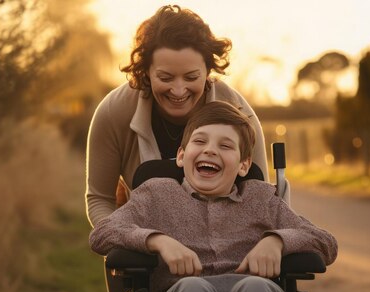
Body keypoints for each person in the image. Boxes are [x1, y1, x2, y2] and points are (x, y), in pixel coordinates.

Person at [89, 101, 338, 292]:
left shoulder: (261, 198)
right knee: (192, 288)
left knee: (256, 288)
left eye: (226, 146)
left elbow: (325, 242)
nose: (210, 151)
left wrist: (277, 241)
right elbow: (102, 234)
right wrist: (157, 240)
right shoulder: (155, 194)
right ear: (181, 155)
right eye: (200, 141)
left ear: (244, 165)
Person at [86, 5, 270, 227]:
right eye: (165, 78)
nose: (179, 90)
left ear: (208, 71)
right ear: (146, 71)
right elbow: (100, 199)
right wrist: (133, 242)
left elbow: (261, 199)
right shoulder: (113, 112)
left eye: (191, 77)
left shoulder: (240, 114)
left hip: (228, 246)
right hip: (143, 246)